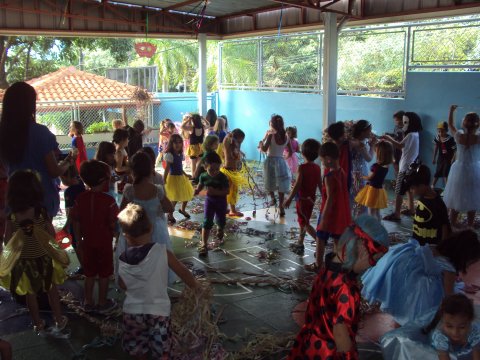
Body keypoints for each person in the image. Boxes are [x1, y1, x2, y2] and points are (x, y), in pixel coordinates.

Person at [288, 215, 390, 360]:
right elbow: (340, 333)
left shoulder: (327, 269)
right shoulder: (347, 288)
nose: (373, 265)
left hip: (308, 344)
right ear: (362, 251)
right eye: (375, 259)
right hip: (327, 353)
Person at [117, 203, 200, 360]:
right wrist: (196, 286)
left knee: (137, 349)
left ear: (126, 236)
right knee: (162, 351)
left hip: (132, 312)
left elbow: (122, 284)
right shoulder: (162, 251)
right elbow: (183, 271)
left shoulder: (124, 258)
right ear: (151, 228)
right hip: (158, 312)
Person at [362, 230, 480, 327]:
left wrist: (459, 285)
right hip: (415, 280)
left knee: (403, 301)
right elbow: (448, 296)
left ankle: (399, 320)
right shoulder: (449, 268)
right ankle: (405, 324)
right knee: (422, 303)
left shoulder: (439, 249)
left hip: (404, 265)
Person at [0, 170, 69, 335]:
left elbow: (7, 241)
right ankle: (59, 320)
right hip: (43, 259)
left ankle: (38, 324)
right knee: (51, 289)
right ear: (36, 191)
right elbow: (51, 235)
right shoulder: (41, 212)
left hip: (24, 262)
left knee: (30, 294)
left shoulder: (13, 217)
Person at [0, 82, 73, 219]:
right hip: (41, 200)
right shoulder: (40, 132)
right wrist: (68, 162)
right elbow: (53, 171)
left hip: (14, 199)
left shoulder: (4, 134)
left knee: (18, 238)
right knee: (43, 239)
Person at [116, 152, 173, 280]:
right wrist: (157, 208)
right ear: (150, 169)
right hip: (156, 231)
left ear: (132, 171)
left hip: (135, 231)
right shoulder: (157, 190)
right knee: (156, 262)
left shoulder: (129, 190)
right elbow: (170, 208)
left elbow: (121, 213)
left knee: (137, 261)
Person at [72, 160, 119, 313]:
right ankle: (102, 302)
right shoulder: (109, 201)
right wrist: (115, 234)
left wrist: (79, 241)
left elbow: (77, 222)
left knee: (89, 273)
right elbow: (113, 224)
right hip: (104, 243)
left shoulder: (80, 199)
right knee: (104, 274)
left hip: (87, 243)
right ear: (103, 180)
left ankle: (88, 301)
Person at [382, 294, 480, 360]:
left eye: (462, 327)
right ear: (442, 321)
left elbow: (477, 352)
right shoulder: (440, 336)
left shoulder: (474, 330)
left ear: (470, 321)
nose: (455, 332)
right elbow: (444, 357)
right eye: (449, 326)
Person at [307, 142, 352, 272]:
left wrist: (324, 217)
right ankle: (337, 263)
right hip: (341, 213)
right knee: (338, 238)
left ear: (328, 159)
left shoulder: (329, 177)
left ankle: (318, 264)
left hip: (330, 212)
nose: (322, 163)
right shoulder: (341, 171)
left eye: (321, 160)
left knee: (320, 238)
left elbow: (331, 198)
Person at [442, 106, 480, 228]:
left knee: (456, 197)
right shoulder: (478, 137)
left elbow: (451, 124)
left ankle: (452, 223)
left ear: (464, 123)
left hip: (459, 169)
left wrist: (452, 111)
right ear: (477, 125)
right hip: (474, 169)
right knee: (473, 197)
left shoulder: (459, 135)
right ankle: (469, 225)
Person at [382, 112, 422, 221]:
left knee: (398, 191)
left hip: (405, 167)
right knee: (408, 189)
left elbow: (400, 145)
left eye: (405, 122)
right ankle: (412, 209)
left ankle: (397, 214)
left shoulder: (410, 135)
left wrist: (388, 138)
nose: (402, 124)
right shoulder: (415, 133)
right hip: (411, 166)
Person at [283, 139, 321, 254]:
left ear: (303, 153)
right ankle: (300, 241)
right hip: (311, 200)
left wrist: (289, 198)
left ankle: (319, 242)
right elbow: (320, 184)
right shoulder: (317, 168)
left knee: (304, 223)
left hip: (303, 200)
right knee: (304, 221)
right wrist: (324, 197)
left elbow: (297, 186)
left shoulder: (302, 168)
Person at [194, 152, 229, 257]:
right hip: (209, 201)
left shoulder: (222, 177)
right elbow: (200, 185)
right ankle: (204, 244)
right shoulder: (203, 176)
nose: (214, 172)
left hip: (221, 202)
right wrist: (197, 190)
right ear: (205, 167)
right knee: (207, 221)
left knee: (221, 220)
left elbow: (226, 191)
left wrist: (215, 192)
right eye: (211, 169)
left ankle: (220, 228)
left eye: (217, 169)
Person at [407, 164, 451, 245]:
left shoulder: (438, 203)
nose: (411, 190)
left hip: (431, 247)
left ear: (422, 186)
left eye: (412, 188)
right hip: (417, 243)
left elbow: (445, 226)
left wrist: (442, 247)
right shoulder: (422, 197)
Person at [259, 114, 293, 217]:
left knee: (270, 181)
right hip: (280, 161)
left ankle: (273, 199)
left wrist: (261, 143)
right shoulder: (286, 136)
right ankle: (281, 207)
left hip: (270, 161)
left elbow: (264, 149)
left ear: (272, 124)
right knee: (281, 184)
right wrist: (283, 158)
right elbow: (291, 152)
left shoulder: (271, 135)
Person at [355, 141, 393, 220]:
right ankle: (379, 224)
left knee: (371, 211)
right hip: (380, 190)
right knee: (377, 211)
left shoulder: (375, 166)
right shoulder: (387, 166)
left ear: (379, 154)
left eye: (376, 151)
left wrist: (361, 176)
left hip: (372, 190)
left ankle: (373, 227)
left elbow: (370, 178)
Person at [164, 134, 194, 224]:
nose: (177, 144)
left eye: (179, 142)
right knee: (175, 198)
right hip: (173, 179)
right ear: (171, 143)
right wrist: (164, 179)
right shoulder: (170, 155)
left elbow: (180, 167)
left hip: (181, 177)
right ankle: (170, 214)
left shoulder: (180, 154)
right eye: (175, 142)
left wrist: (186, 174)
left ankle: (182, 209)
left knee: (187, 194)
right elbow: (167, 169)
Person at [60, 164, 86, 269]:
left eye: (62, 178)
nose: (62, 182)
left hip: (75, 223)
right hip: (86, 219)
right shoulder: (80, 183)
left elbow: (71, 211)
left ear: (67, 177)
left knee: (76, 243)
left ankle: (84, 267)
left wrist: (66, 225)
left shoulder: (69, 191)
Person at [350, 120, 377, 216]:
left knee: (356, 194)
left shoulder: (355, 140)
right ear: (362, 132)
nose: (371, 133)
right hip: (359, 171)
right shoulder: (359, 144)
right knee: (360, 195)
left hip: (354, 169)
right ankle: (359, 219)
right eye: (369, 131)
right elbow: (369, 158)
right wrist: (372, 145)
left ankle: (355, 217)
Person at [221, 129, 248, 217]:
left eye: (242, 141)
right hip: (227, 170)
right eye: (239, 141)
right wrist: (230, 135)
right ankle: (225, 208)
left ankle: (232, 210)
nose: (240, 143)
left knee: (233, 192)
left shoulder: (235, 146)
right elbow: (226, 140)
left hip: (234, 171)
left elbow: (236, 152)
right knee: (226, 191)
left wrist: (240, 151)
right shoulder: (227, 143)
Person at [326, 121, 352, 192]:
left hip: (343, 177)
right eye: (344, 133)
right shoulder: (346, 145)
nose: (346, 134)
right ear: (340, 137)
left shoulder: (346, 144)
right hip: (337, 177)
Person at [432, 121, 457, 188]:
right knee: (438, 171)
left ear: (446, 130)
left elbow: (455, 150)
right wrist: (434, 158)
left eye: (442, 131)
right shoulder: (437, 138)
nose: (440, 133)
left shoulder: (450, 139)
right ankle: (432, 186)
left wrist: (453, 159)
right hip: (440, 157)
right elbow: (436, 148)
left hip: (448, 158)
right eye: (439, 131)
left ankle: (447, 188)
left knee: (445, 173)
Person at [389, 111, 405, 179]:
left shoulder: (406, 129)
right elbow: (395, 135)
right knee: (395, 167)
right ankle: (397, 183)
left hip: (401, 151)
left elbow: (402, 141)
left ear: (402, 119)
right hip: (395, 150)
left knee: (401, 170)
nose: (395, 121)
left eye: (396, 120)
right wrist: (388, 134)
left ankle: (401, 184)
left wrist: (389, 138)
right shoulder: (396, 127)